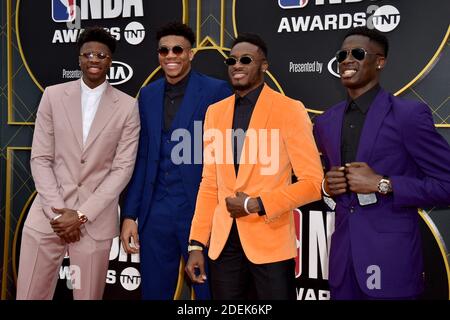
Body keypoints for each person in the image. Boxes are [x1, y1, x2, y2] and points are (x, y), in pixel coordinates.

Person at [313, 26, 450, 300]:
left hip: (391, 262)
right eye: (342, 54)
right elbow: (329, 183)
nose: (347, 60)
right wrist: (328, 187)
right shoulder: (326, 122)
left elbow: (446, 185)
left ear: (379, 62)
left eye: (358, 53)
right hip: (343, 264)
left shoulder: (408, 116)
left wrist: (383, 184)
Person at [185, 33, 323, 300]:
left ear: (264, 65)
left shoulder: (290, 110)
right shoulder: (215, 112)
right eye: (232, 60)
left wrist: (256, 204)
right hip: (224, 246)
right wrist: (196, 243)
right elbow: (210, 183)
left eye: (246, 59)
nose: (237, 65)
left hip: (270, 242)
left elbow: (313, 183)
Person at [16, 26, 140, 300]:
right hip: (48, 217)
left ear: (110, 61)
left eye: (101, 55)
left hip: (94, 222)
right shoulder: (53, 95)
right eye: (88, 54)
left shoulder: (128, 106)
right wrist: (58, 214)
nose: (94, 59)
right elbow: (41, 158)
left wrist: (81, 215)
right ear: (79, 59)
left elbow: (122, 170)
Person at [120, 22, 231, 300]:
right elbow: (142, 156)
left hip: (199, 211)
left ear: (190, 54)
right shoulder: (148, 94)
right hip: (154, 211)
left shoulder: (216, 90)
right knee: (154, 292)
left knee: (207, 292)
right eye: (164, 50)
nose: (170, 55)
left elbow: (226, 154)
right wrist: (130, 214)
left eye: (178, 49)